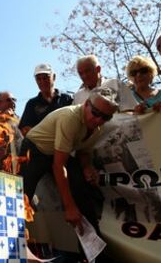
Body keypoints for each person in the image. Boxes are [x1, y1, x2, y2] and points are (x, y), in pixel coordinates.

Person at [19, 87, 119, 234]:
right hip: (34, 150)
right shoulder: (70, 118)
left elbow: (83, 151)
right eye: (95, 113)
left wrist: (87, 167)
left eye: (105, 117)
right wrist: (70, 207)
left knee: (81, 186)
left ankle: (94, 245)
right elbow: (58, 166)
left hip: (57, 153)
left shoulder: (99, 127)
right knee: (23, 194)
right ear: (86, 104)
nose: (98, 120)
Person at [19, 63, 73, 137]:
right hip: (41, 146)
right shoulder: (31, 104)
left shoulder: (66, 98)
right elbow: (25, 129)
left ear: (54, 77)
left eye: (45, 78)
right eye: (38, 79)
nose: (42, 82)